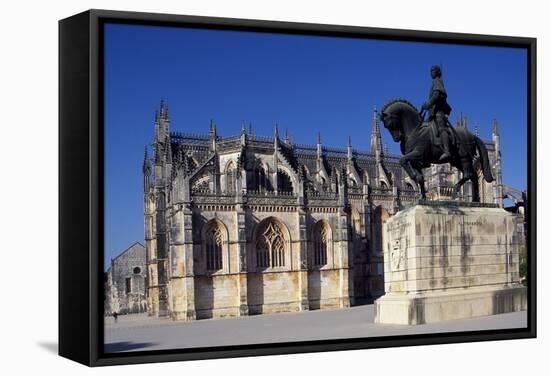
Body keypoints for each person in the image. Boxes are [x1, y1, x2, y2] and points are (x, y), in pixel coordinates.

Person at [422, 65, 452, 161]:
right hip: (432, 113)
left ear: (437, 72)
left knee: (441, 128)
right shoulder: (434, 83)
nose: (431, 72)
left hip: (439, 112)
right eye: (431, 71)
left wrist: (428, 103)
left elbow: (436, 95)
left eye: (433, 70)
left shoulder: (438, 81)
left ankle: (447, 151)